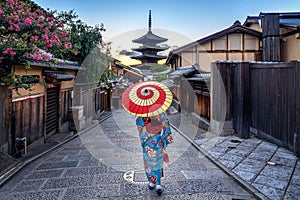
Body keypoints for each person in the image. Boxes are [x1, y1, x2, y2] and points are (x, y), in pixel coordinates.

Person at [136, 112, 173, 196]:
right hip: (148, 142)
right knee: (148, 162)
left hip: (158, 140)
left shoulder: (160, 111)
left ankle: (158, 183)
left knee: (158, 161)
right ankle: (151, 181)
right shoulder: (142, 111)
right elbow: (139, 124)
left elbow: (165, 123)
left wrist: (161, 130)